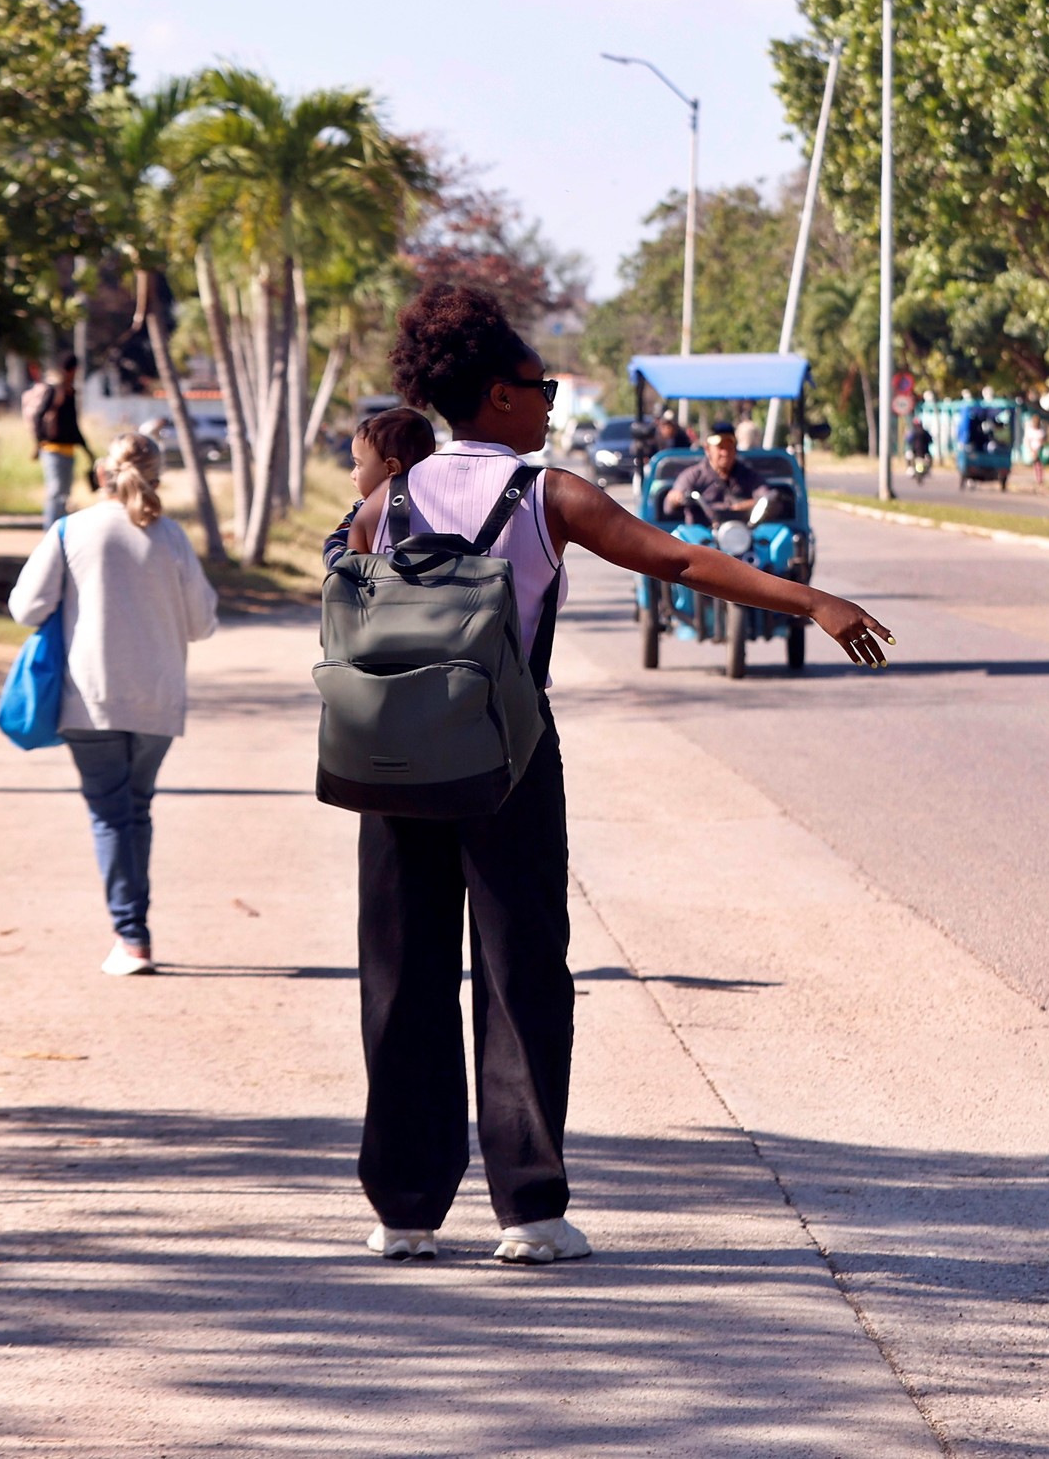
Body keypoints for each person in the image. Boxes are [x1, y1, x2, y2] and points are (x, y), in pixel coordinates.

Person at [341, 282, 890, 1266]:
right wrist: (810, 601)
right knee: (519, 976)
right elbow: (676, 563)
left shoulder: (387, 501)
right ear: (498, 395)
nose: (548, 403)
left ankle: (405, 1211)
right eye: (539, 386)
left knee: (401, 977)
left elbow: (351, 611)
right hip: (506, 761)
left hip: (392, 759)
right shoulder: (547, 495)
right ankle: (528, 1213)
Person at [8, 433, 219, 976]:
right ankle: (133, 932)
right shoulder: (171, 536)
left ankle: (131, 937)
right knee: (136, 809)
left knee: (110, 814)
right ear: (158, 476)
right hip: (158, 698)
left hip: (90, 697)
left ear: (103, 472)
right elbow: (202, 623)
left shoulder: (71, 529)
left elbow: (26, 608)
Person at [324, 406, 438, 567]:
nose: (353, 474)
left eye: (358, 465)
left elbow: (334, 544)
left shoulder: (364, 511)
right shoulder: (437, 506)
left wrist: (348, 563)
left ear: (391, 468)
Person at [26, 355, 96, 529]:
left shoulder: (70, 392)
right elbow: (38, 416)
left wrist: (87, 451)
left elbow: (73, 425)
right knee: (56, 493)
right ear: (72, 370)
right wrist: (40, 441)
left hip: (68, 450)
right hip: (52, 450)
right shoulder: (54, 390)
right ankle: (50, 532)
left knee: (64, 495)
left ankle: (60, 533)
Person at [664, 427, 769, 524]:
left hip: (742, 532)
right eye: (720, 447)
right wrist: (676, 498)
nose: (725, 453)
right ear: (707, 449)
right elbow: (670, 503)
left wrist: (747, 505)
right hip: (701, 534)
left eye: (729, 447)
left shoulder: (748, 475)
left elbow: (767, 496)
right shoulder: (692, 475)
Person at [1022, 411, 1047, 491]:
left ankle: (1040, 479)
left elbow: (1043, 440)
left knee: (1040, 464)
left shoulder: (1041, 431)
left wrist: (1039, 448)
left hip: (1040, 449)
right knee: (1036, 464)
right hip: (1033, 449)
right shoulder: (1030, 431)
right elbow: (1028, 441)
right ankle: (1038, 478)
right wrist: (1032, 450)